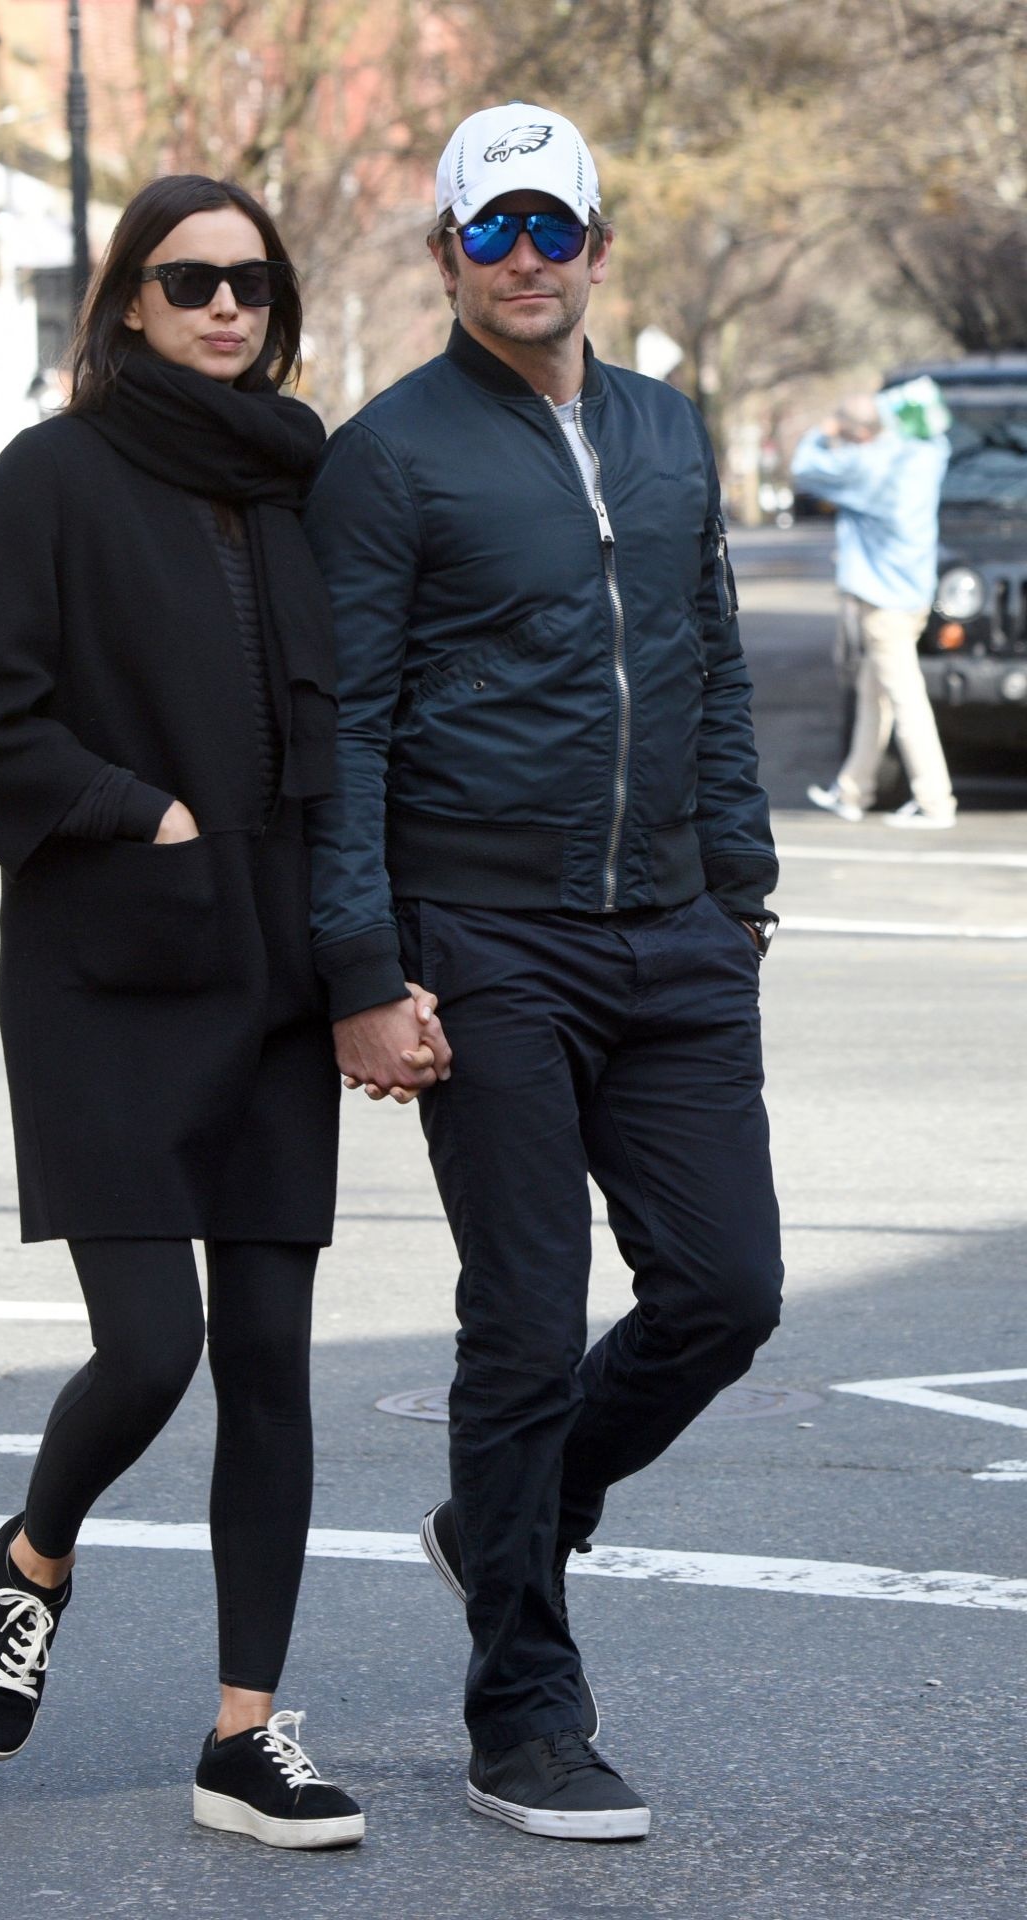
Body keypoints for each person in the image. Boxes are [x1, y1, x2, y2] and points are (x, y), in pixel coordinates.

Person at [0, 174, 437, 1850]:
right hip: (113, 969)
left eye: (250, 282)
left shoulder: (310, 480)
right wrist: (136, 813)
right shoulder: (52, 476)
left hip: (281, 970)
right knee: (154, 1349)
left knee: (274, 1357)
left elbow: (367, 735)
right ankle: (36, 1554)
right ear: (128, 304)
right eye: (188, 280)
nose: (226, 306)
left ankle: (246, 1732)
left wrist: (372, 964)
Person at [302, 103, 784, 1843]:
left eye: (550, 229)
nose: (523, 261)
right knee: (522, 1322)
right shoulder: (389, 455)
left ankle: (511, 1512)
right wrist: (362, 963)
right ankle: (525, 1709)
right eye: (488, 233)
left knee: (728, 1290)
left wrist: (741, 890)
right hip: (484, 939)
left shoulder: (671, 431)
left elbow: (711, 663)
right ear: (447, 252)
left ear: (597, 241)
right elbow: (340, 733)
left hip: (672, 936)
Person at [795, 388, 955, 828]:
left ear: (859, 434)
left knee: (906, 700)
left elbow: (804, 468)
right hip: (915, 594)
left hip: (882, 603)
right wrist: (879, 415)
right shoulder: (923, 456)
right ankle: (852, 791)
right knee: (874, 695)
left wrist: (824, 430)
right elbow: (934, 428)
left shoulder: (862, 466)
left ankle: (935, 800)